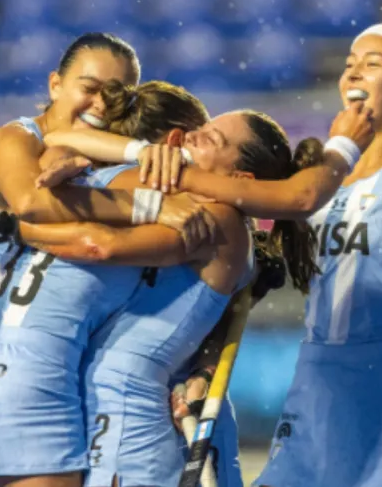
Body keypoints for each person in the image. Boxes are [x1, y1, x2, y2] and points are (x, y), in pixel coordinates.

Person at [151, 22, 382, 487]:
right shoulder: (320, 174)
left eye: (373, 64)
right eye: (349, 64)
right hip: (317, 375)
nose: (354, 73)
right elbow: (246, 201)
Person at [0, 33, 214, 487]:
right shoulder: (15, 139)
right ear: (55, 84)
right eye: (88, 87)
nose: (101, 104)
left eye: (118, 96)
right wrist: (150, 204)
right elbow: (34, 201)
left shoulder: (101, 166)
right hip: (2, 372)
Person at [24, 104, 318, 487]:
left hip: (138, 408)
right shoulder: (188, 203)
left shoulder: (216, 218)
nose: (192, 136)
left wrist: (18, 224)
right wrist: (135, 153)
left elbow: (103, 245)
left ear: (238, 177)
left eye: (211, 138)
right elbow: (57, 138)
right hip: (150, 399)